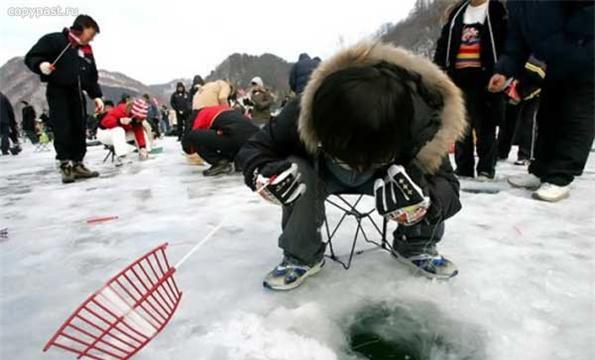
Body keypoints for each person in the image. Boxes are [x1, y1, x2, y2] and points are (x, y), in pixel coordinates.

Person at [236, 42, 466, 290]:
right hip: (323, 171)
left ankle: (417, 243)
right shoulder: (303, 110)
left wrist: (426, 205)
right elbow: (254, 149)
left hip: (389, 176)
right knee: (296, 168)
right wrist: (263, 173)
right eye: (346, 157)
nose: (356, 168)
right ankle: (301, 254)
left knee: (420, 178)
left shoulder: (423, 124)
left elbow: (449, 186)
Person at [489, 1, 594, 202]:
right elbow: (516, 41)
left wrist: (568, 39)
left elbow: (589, 10)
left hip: (586, 58)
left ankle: (560, 177)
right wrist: (504, 71)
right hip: (556, 62)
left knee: (576, 118)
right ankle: (540, 170)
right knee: (548, 116)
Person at [24, 14, 104, 184]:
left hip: (77, 93)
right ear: (82, 27)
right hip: (58, 91)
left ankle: (78, 163)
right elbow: (31, 57)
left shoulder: (86, 51)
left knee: (78, 127)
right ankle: (65, 164)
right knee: (63, 126)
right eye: (92, 33)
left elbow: (91, 76)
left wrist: (96, 96)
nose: (92, 38)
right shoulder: (55, 40)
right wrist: (41, 66)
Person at [434, 0, 507, 181]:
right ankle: (463, 167)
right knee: (461, 125)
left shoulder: (497, 10)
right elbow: (444, 44)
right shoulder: (457, 13)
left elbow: (505, 42)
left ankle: (486, 168)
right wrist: (439, 70)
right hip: (458, 78)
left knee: (486, 125)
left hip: (486, 77)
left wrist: (504, 72)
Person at [182, 104, 260, 176]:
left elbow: (190, 140)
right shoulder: (223, 108)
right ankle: (239, 161)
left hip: (234, 136)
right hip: (252, 138)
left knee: (194, 135)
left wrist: (189, 147)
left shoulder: (200, 115)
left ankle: (220, 162)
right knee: (224, 134)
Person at [97, 98, 150, 166]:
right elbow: (105, 122)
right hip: (104, 133)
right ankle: (122, 156)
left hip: (119, 135)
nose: (138, 120)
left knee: (141, 131)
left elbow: (138, 131)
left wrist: (142, 147)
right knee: (119, 130)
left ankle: (145, 152)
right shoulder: (120, 110)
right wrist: (119, 121)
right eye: (138, 118)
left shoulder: (135, 119)